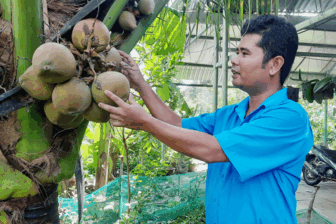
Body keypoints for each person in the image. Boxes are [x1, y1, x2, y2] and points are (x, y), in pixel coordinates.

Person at [98, 15, 314, 224]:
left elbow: (213, 150)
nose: (234, 60)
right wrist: (141, 84)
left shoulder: (290, 118)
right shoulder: (230, 114)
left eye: (245, 53)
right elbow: (176, 126)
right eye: (237, 52)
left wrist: (145, 122)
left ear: (275, 64)